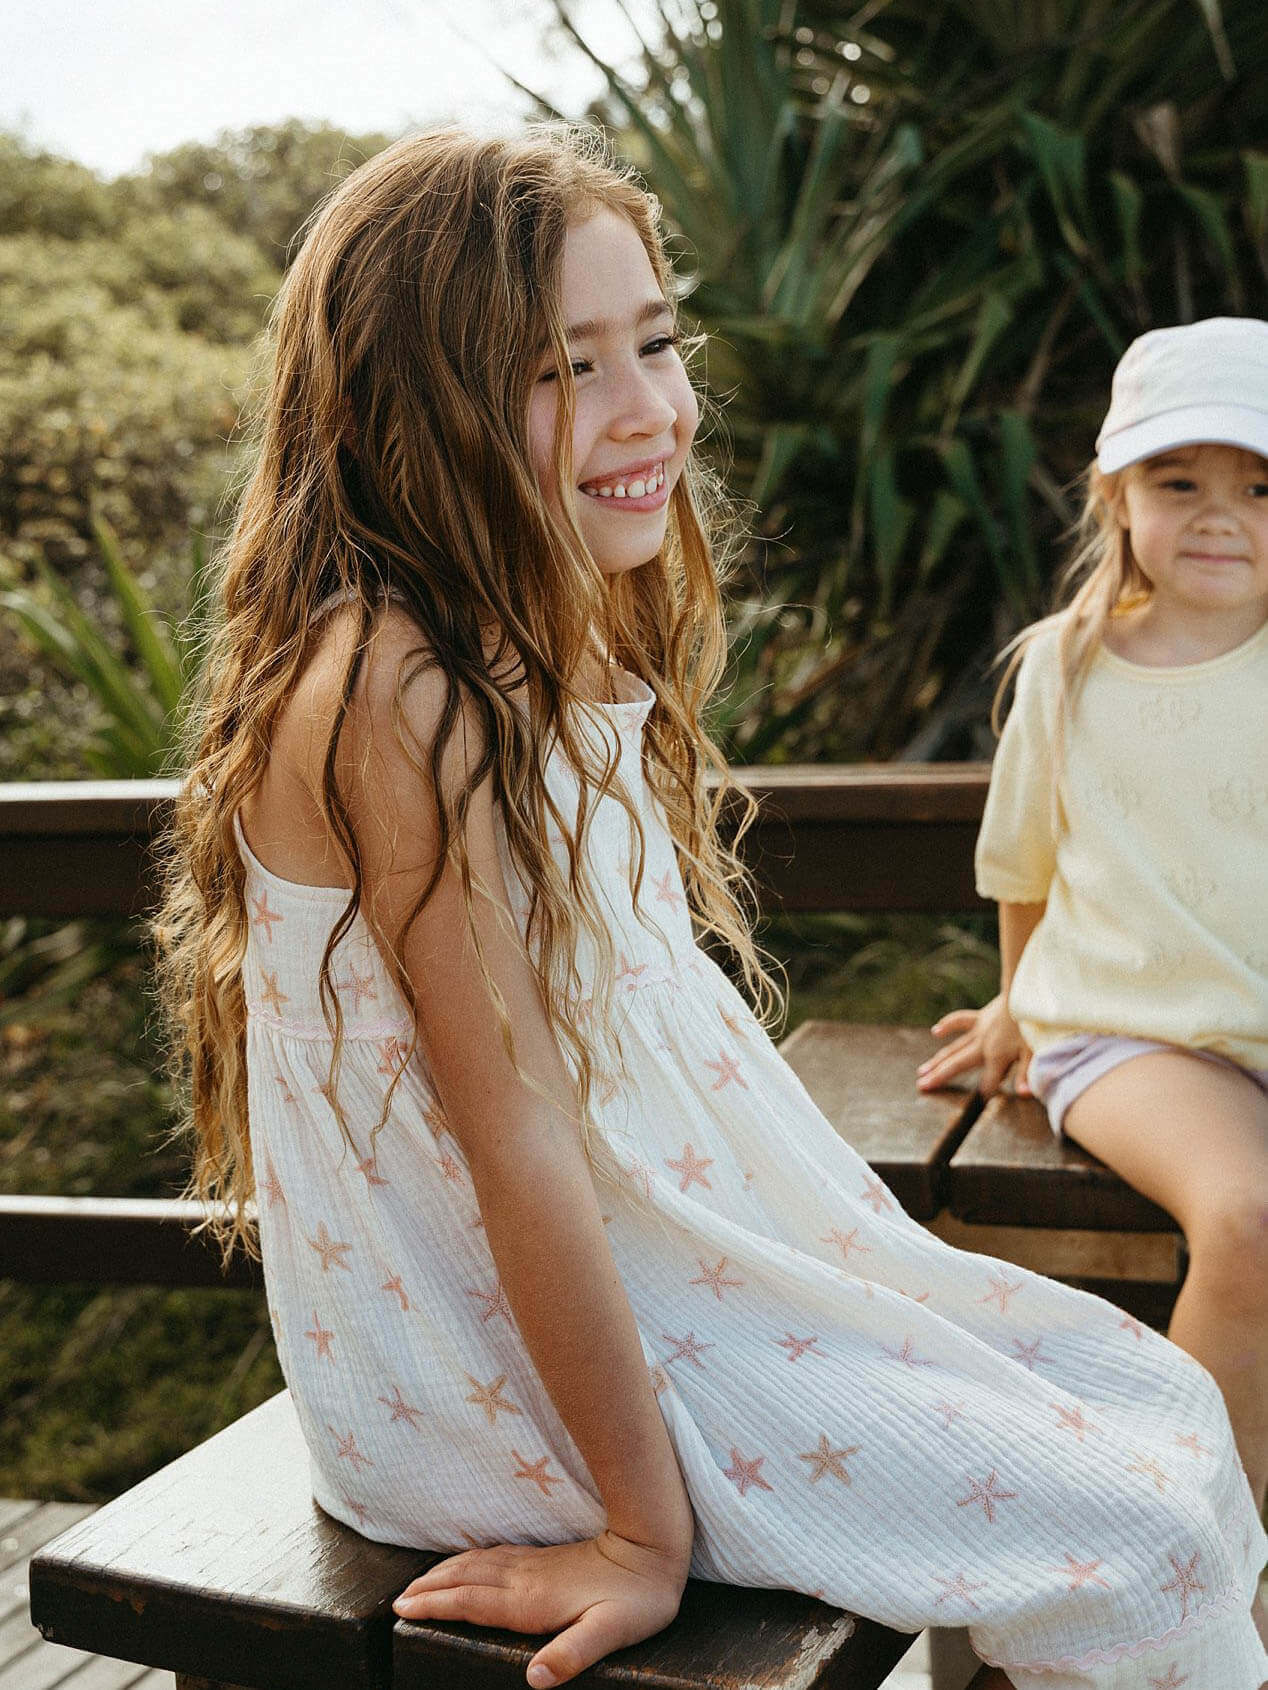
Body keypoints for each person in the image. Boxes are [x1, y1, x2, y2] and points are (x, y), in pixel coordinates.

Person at [155, 130, 1268, 1690]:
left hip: (632, 1284)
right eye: (565, 367)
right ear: (417, 403)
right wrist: (638, 1531)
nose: (650, 409)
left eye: (657, 342)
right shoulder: (395, 687)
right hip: (479, 1371)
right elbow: (513, 1137)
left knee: (1172, 1417)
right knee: (1137, 1535)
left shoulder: (530, 623)